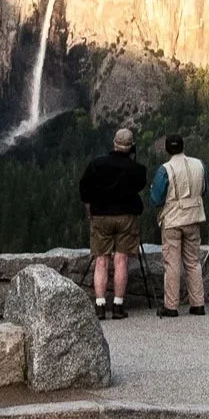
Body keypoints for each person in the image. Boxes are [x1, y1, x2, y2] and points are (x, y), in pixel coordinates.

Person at [78, 127, 147, 320]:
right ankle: (118, 305)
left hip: (101, 216)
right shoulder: (137, 169)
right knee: (121, 260)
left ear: (114, 143)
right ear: (131, 147)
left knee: (101, 260)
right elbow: (140, 185)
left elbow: (84, 188)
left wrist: (90, 208)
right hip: (126, 217)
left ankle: (100, 306)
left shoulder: (96, 164)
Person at [149, 135, 206, 319]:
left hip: (173, 220)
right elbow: (205, 189)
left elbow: (156, 198)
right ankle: (198, 304)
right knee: (193, 262)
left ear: (167, 149)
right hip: (194, 217)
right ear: (183, 146)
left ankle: (171, 306)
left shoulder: (166, 169)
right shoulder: (199, 165)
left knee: (172, 264)